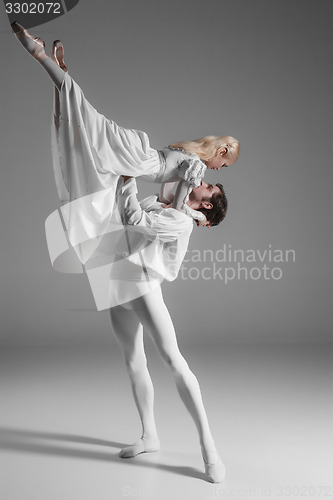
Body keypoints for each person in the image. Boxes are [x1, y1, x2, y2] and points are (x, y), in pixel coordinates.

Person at [11, 22, 229, 483]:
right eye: (210, 176)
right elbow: (161, 182)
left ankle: (209, 448)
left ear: (204, 207)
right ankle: (150, 433)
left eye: (209, 184)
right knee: (133, 361)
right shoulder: (170, 199)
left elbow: (133, 216)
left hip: (138, 282)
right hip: (115, 276)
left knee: (173, 361)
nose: (204, 179)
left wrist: (124, 175)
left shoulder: (178, 219)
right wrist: (134, 175)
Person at [11, 22, 239, 226]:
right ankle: (40, 55)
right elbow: (176, 206)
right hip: (136, 159)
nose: (218, 169)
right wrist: (199, 216)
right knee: (85, 121)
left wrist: (190, 210)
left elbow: (168, 197)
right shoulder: (195, 168)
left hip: (138, 155)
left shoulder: (189, 158)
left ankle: (61, 76)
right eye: (224, 164)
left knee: (83, 121)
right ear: (220, 152)